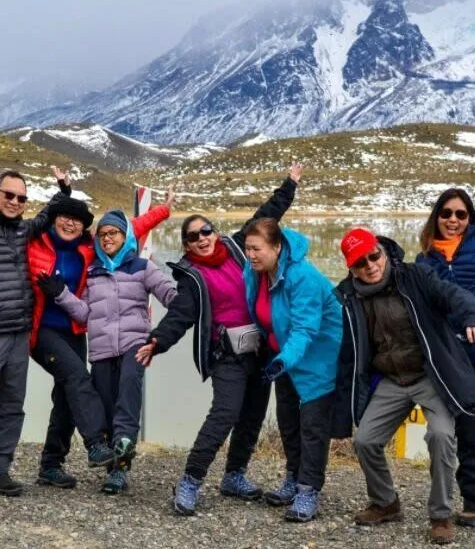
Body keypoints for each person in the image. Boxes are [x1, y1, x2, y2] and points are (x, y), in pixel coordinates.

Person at [136, 163, 301, 516]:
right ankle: (190, 481)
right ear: (187, 245)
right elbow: (180, 316)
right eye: (193, 237)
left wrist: (289, 186)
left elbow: (266, 216)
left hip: (261, 347)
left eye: (205, 231)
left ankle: (234, 476)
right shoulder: (192, 277)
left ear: (215, 231)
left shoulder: (239, 248)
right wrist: (157, 341)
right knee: (224, 413)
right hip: (226, 354)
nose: (202, 239)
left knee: (253, 415)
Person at [28, 171, 175, 489]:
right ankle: (98, 446)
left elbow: (130, 228)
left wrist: (163, 210)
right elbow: (85, 309)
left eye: (77, 220)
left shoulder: (105, 255)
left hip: (91, 334)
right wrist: (59, 293)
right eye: (65, 217)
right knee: (81, 383)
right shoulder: (41, 245)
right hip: (53, 332)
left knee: (74, 395)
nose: (70, 224)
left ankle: (57, 464)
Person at [333, 227, 475, 545]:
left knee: (440, 435)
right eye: (360, 262)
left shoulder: (415, 276)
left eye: (374, 256)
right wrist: (341, 418)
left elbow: (453, 295)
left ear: (382, 251)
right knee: (366, 441)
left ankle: (440, 515)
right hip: (390, 380)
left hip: (429, 375)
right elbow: (347, 359)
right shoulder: (349, 299)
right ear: (350, 268)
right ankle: (385, 502)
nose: (370, 265)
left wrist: (471, 316)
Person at [242, 217, 342, 522]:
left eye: (256, 249)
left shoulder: (303, 276)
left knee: (312, 425)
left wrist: (284, 359)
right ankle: (293, 478)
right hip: (282, 353)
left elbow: (305, 329)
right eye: (247, 248)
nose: (250, 255)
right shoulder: (255, 272)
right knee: (288, 420)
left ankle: (309, 489)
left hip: (316, 355)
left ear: (276, 246)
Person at [0, 168, 67, 496]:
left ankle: (1, 469)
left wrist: (63, 191)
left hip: (18, 334)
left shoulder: (22, 230)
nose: (15, 202)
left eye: (21, 197)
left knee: (13, 403)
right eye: (8, 195)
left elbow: (45, 217)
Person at [416, 188, 475, 527]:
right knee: (463, 426)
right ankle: (462, 499)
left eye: (461, 214)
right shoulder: (425, 259)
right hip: (449, 354)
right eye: (447, 213)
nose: (453, 220)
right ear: (436, 216)